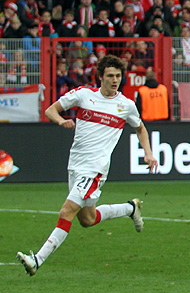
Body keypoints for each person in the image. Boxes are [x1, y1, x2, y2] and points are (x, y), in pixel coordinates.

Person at [16, 55, 159, 276]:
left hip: (95, 169)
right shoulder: (83, 95)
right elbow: (50, 110)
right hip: (75, 165)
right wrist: (61, 120)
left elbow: (140, 128)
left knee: (67, 211)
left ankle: (37, 260)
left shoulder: (126, 105)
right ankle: (130, 208)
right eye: (110, 76)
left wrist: (148, 153)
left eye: (118, 76)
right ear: (100, 76)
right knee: (87, 219)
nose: (115, 80)